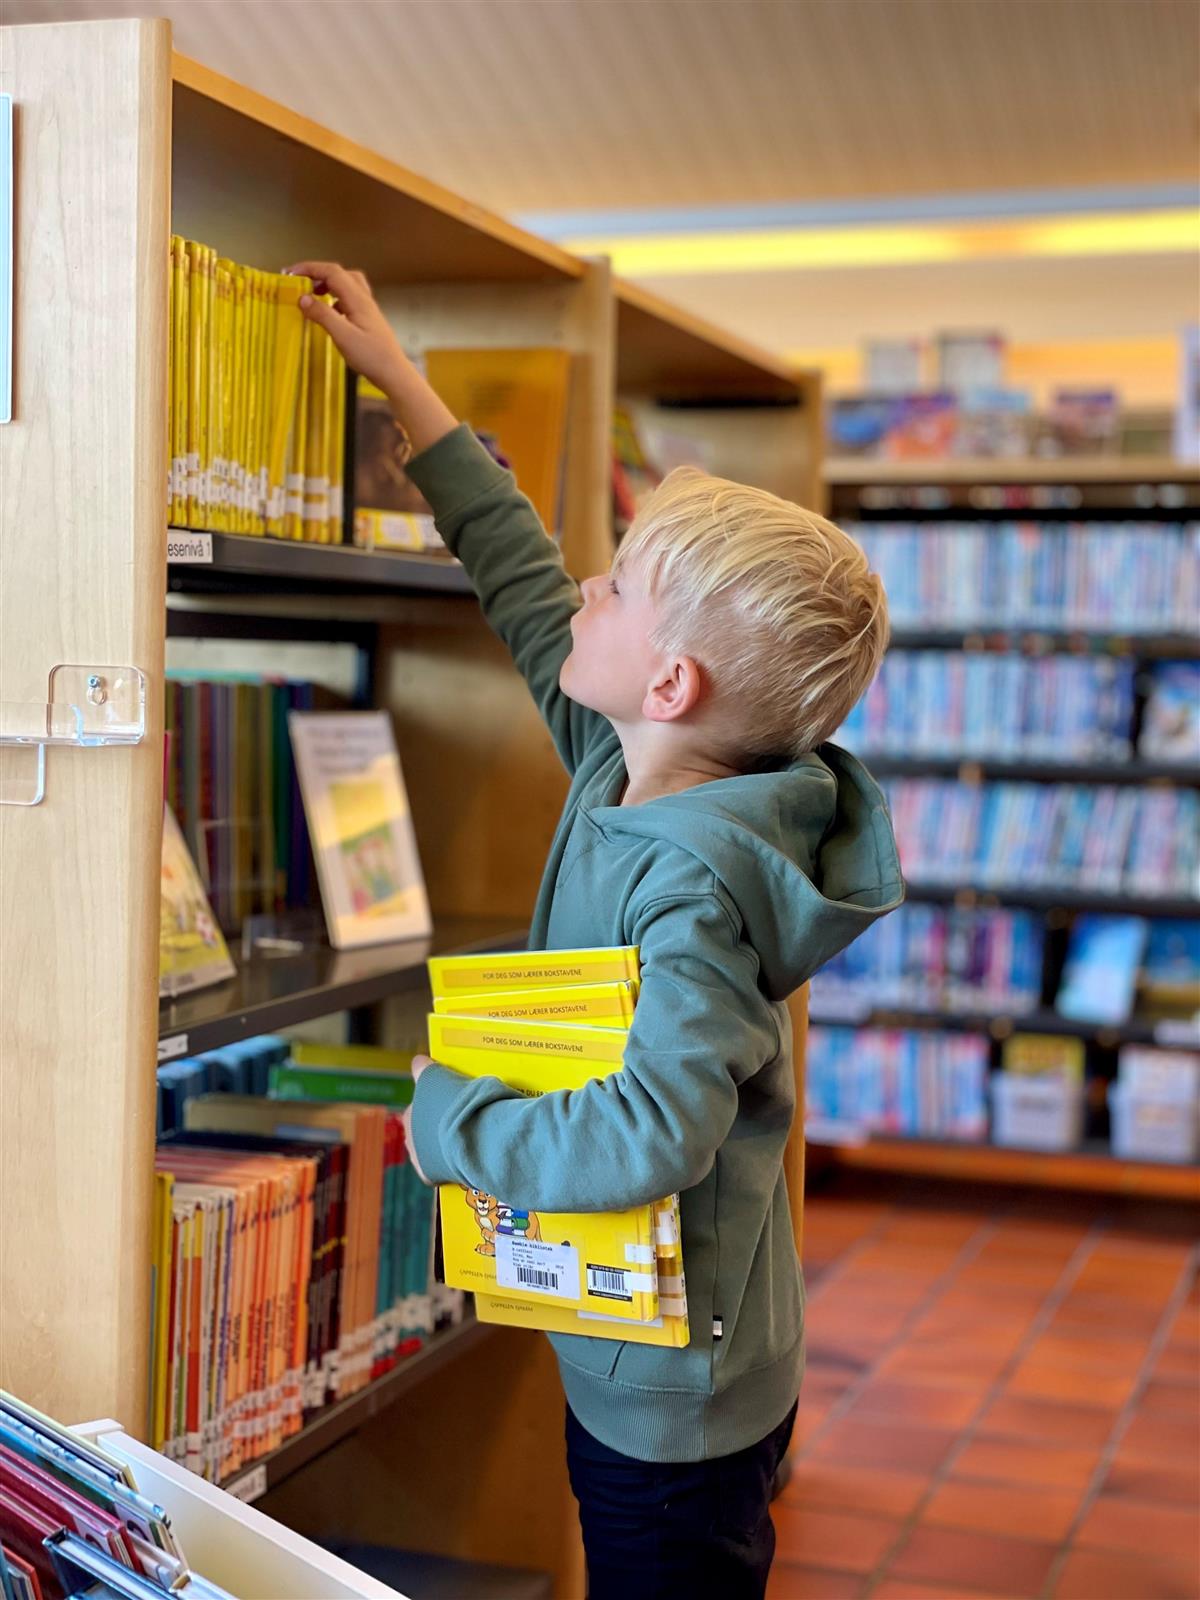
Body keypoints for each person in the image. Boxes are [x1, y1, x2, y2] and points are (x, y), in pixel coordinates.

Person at [291, 261, 904, 1600]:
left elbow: (652, 1132)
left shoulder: (694, 887)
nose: (585, 589)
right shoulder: (623, 760)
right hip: (642, 1344)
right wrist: (405, 383)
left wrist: (450, 1125)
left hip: (682, 1405)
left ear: (672, 682)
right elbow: (517, 574)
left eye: (617, 587)